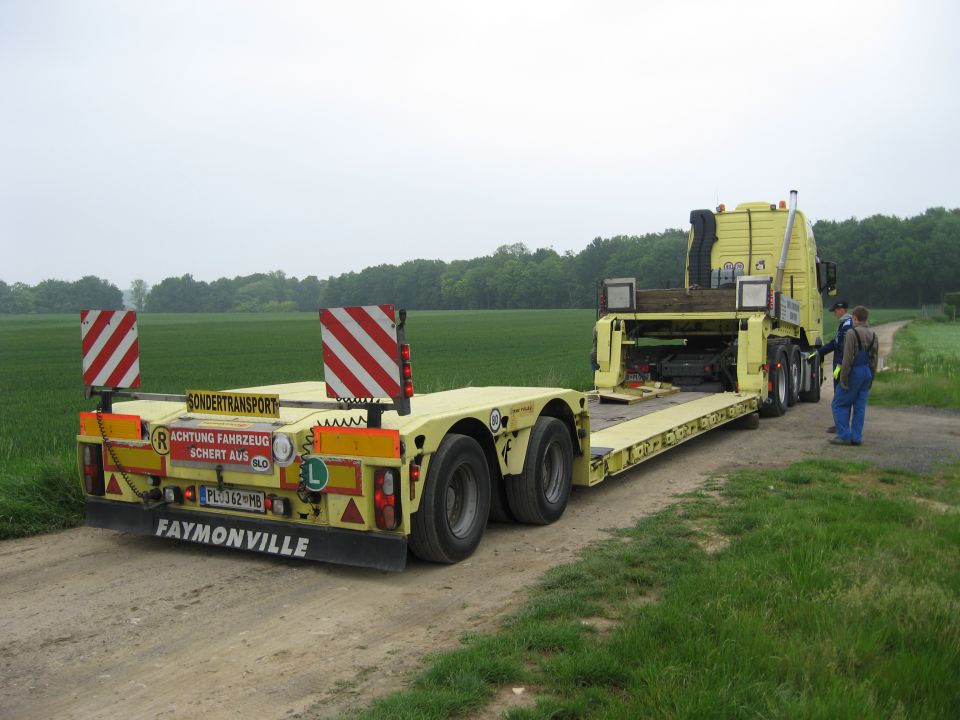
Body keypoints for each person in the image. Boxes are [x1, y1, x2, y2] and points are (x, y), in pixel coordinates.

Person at [829, 305, 878, 446]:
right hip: (866, 372)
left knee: (839, 403)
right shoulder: (873, 334)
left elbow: (847, 358)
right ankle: (856, 437)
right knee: (860, 406)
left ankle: (844, 436)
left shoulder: (852, 333)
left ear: (855, 318)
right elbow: (874, 359)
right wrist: (871, 378)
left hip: (854, 372)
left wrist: (843, 379)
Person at [817, 300, 853, 433]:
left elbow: (845, 349)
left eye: (835, 311)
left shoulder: (848, 326)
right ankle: (840, 424)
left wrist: (839, 367)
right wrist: (819, 352)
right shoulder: (843, 325)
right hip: (839, 367)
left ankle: (842, 426)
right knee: (839, 397)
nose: (834, 314)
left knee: (840, 398)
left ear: (842, 310)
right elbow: (834, 343)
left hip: (841, 367)